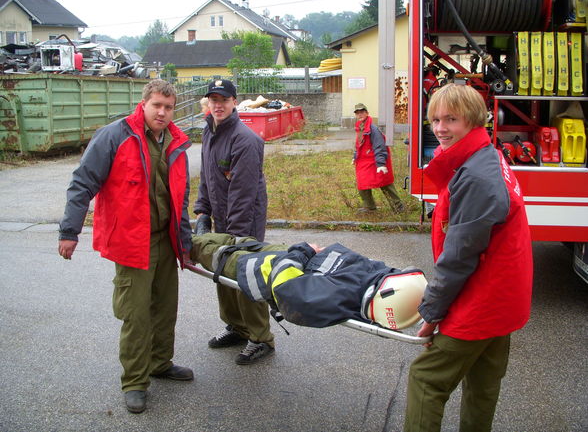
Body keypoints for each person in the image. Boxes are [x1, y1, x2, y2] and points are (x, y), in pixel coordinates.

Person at [57, 79, 194, 414]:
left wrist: (185, 244)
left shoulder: (175, 141)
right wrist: (69, 231)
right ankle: (134, 381)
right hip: (133, 242)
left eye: (168, 107)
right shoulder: (115, 136)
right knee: (136, 315)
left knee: (165, 307)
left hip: (165, 239)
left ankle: (160, 363)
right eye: (157, 106)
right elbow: (82, 182)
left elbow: (181, 198)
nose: (162, 112)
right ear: (143, 103)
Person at [403, 84, 533, 432]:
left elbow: (459, 257)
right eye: (435, 119)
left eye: (451, 119)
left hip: (483, 299)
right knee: (483, 383)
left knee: (426, 379)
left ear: (473, 120)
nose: (441, 128)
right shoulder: (486, 157)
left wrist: (432, 313)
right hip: (504, 298)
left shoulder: (476, 175)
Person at [188, 232, 426, 331]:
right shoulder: (378, 276)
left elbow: (285, 287)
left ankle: (180, 240)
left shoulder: (332, 299)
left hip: (262, 268)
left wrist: (303, 252)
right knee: (234, 239)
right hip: (289, 254)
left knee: (206, 249)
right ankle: (191, 233)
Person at [193, 79, 274, 365]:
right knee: (222, 273)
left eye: (223, 100)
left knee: (246, 276)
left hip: (244, 222)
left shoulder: (246, 140)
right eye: (213, 99)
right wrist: (202, 211)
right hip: (221, 218)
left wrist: (236, 237)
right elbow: (207, 176)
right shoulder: (209, 132)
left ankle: (261, 337)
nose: (218, 104)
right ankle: (237, 327)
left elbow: (244, 193)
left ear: (234, 102)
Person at [352, 103, 403, 213]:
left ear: (367, 113)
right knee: (362, 184)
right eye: (358, 113)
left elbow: (379, 145)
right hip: (364, 161)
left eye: (362, 112)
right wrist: (355, 156)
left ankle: (398, 207)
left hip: (375, 160)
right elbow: (358, 145)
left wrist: (381, 164)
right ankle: (369, 206)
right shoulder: (360, 127)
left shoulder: (372, 128)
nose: (360, 114)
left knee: (385, 183)